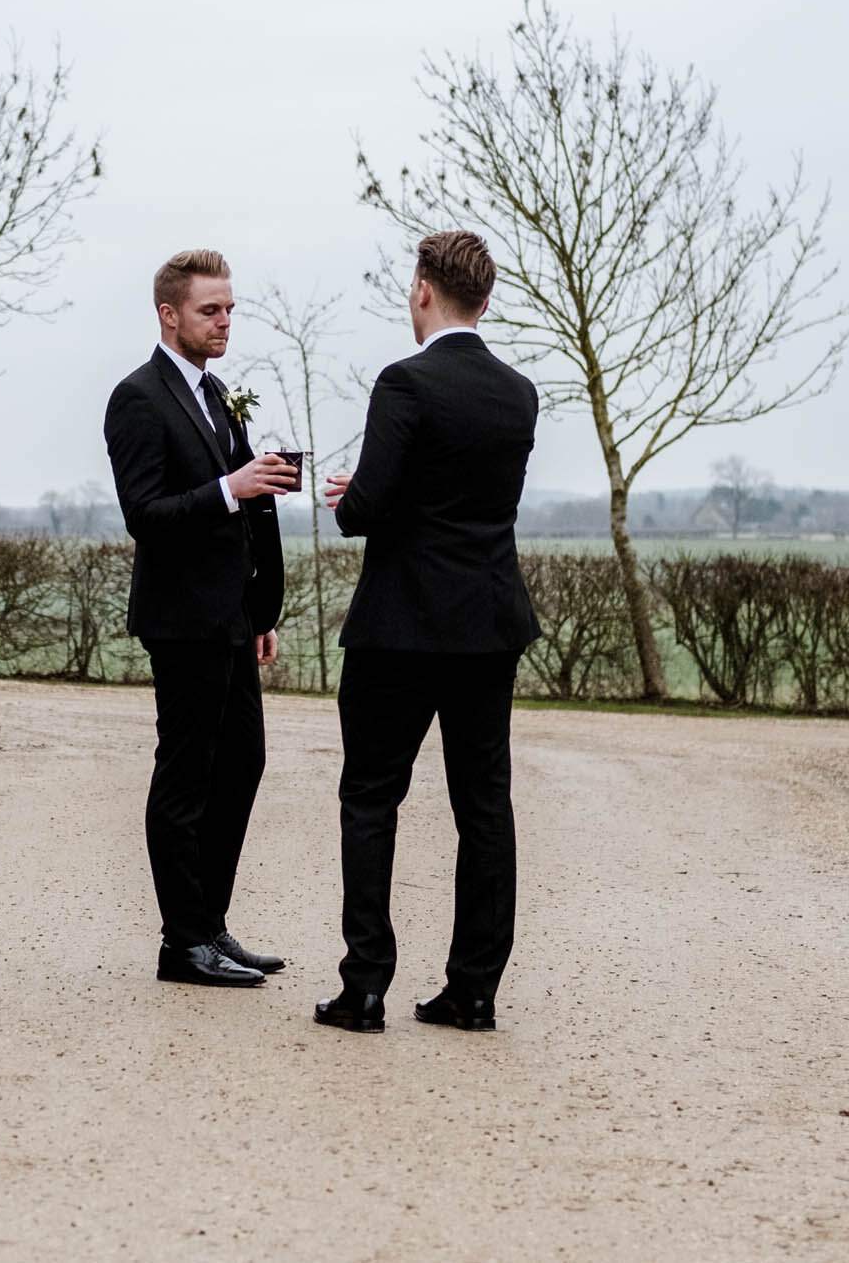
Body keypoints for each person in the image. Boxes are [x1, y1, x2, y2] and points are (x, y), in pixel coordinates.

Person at [314, 230, 540, 1033]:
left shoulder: (404, 382)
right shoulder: (518, 393)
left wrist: (352, 496)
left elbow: (369, 509)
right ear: (484, 298)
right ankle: (474, 989)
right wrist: (381, 489)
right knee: (485, 805)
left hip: (401, 626)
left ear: (422, 291)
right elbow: (462, 499)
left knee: (372, 797)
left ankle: (365, 985)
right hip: (486, 620)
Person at [102, 249, 298, 987]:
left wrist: (258, 607)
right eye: (210, 310)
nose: (224, 321)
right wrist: (229, 486)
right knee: (185, 778)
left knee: (242, 764)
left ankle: (209, 926)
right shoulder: (137, 398)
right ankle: (182, 945)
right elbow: (146, 516)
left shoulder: (217, 395)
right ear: (169, 314)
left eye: (229, 309)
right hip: (180, 621)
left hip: (230, 618)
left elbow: (243, 515)